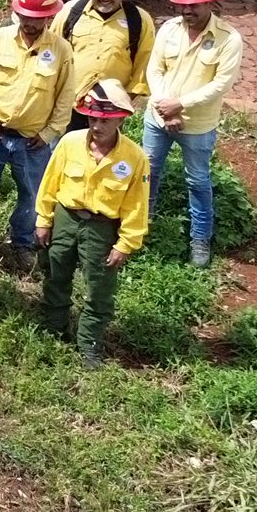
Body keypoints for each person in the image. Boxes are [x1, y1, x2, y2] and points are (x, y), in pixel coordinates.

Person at [39, 80, 152, 368]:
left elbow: (136, 205)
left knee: (99, 288)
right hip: (66, 218)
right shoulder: (70, 142)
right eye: (92, 119)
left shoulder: (135, 157)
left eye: (104, 121)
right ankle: (54, 329)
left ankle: (88, 344)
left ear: (120, 120)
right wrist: (43, 219)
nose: (97, 126)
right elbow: (50, 183)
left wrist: (125, 244)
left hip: (102, 227)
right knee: (55, 273)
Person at [0, 0, 73, 271]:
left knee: (32, 195)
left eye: (38, 18)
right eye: (26, 16)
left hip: (32, 141)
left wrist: (48, 133)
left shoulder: (61, 50)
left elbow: (65, 98)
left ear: (49, 17)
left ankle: (23, 242)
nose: (30, 23)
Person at [144, 0, 244, 267]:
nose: (187, 11)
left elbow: (221, 84)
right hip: (157, 118)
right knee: (148, 173)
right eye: (182, 5)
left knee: (198, 180)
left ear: (211, 2)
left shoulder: (228, 39)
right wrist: (164, 106)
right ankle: (142, 224)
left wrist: (180, 105)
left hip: (197, 125)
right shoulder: (169, 29)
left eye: (194, 5)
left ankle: (200, 239)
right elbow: (154, 69)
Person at [59, 0, 154, 132]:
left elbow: (143, 66)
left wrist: (121, 102)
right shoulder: (70, 12)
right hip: (68, 106)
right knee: (64, 147)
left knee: (104, 150)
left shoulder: (139, 20)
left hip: (110, 112)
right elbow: (52, 53)